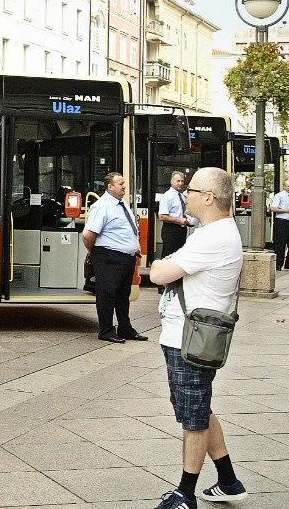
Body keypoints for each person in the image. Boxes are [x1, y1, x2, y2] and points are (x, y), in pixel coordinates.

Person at [149, 167, 248, 509]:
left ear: (208, 198)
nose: (184, 194)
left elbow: (159, 273)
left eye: (190, 190)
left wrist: (165, 260)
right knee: (199, 410)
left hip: (189, 340)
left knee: (193, 418)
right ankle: (228, 481)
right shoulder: (216, 232)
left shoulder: (213, 237)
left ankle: (184, 494)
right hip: (193, 336)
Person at [82, 172, 146, 344]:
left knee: (122, 295)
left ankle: (125, 329)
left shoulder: (121, 203)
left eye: (123, 183)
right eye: (120, 183)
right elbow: (88, 234)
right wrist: (94, 252)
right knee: (107, 294)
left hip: (126, 257)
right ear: (110, 187)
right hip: (109, 256)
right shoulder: (102, 206)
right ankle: (106, 330)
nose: (124, 186)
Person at [157, 171, 193, 293]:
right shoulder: (167, 196)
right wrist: (180, 220)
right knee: (167, 255)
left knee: (178, 256)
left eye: (182, 181)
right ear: (171, 182)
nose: (180, 183)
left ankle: (174, 282)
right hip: (170, 229)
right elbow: (162, 216)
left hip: (181, 230)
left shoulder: (182, 196)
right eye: (178, 181)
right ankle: (162, 284)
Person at [270, 179, 289, 271]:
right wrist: (285, 210)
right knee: (280, 244)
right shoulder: (279, 196)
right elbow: (273, 208)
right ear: (284, 186)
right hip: (282, 221)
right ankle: (278, 264)